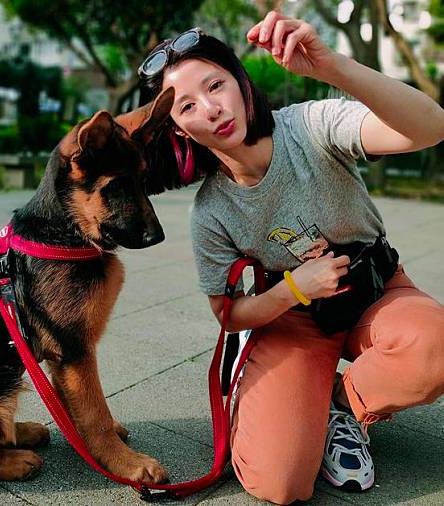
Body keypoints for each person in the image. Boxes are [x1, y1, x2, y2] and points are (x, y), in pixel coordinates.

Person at [137, 10, 444, 505]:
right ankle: (288, 395)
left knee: (434, 346)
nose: (211, 109)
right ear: (179, 131)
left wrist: (332, 69)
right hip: (294, 317)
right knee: (278, 484)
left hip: (375, 290)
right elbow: (229, 313)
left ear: (240, 80)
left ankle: (345, 404)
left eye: (215, 85)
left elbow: (430, 128)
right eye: (187, 106)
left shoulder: (310, 125)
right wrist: (295, 288)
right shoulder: (212, 212)